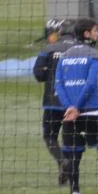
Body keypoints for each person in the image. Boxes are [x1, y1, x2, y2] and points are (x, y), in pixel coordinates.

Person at [54, 17, 98, 194]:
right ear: (86, 34)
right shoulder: (94, 54)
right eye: (95, 30)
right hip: (91, 112)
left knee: (73, 156)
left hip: (69, 115)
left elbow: (58, 85)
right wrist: (77, 106)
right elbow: (90, 83)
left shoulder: (64, 55)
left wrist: (69, 106)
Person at [33, 18, 74, 185]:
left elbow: (38, 74)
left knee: (50, 137)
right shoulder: (79, 49)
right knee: (70, 138)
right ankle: (69, 170)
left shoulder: (49, 49)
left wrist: (48, 72)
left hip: (52, 101)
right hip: (72, 103)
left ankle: (61, 161)